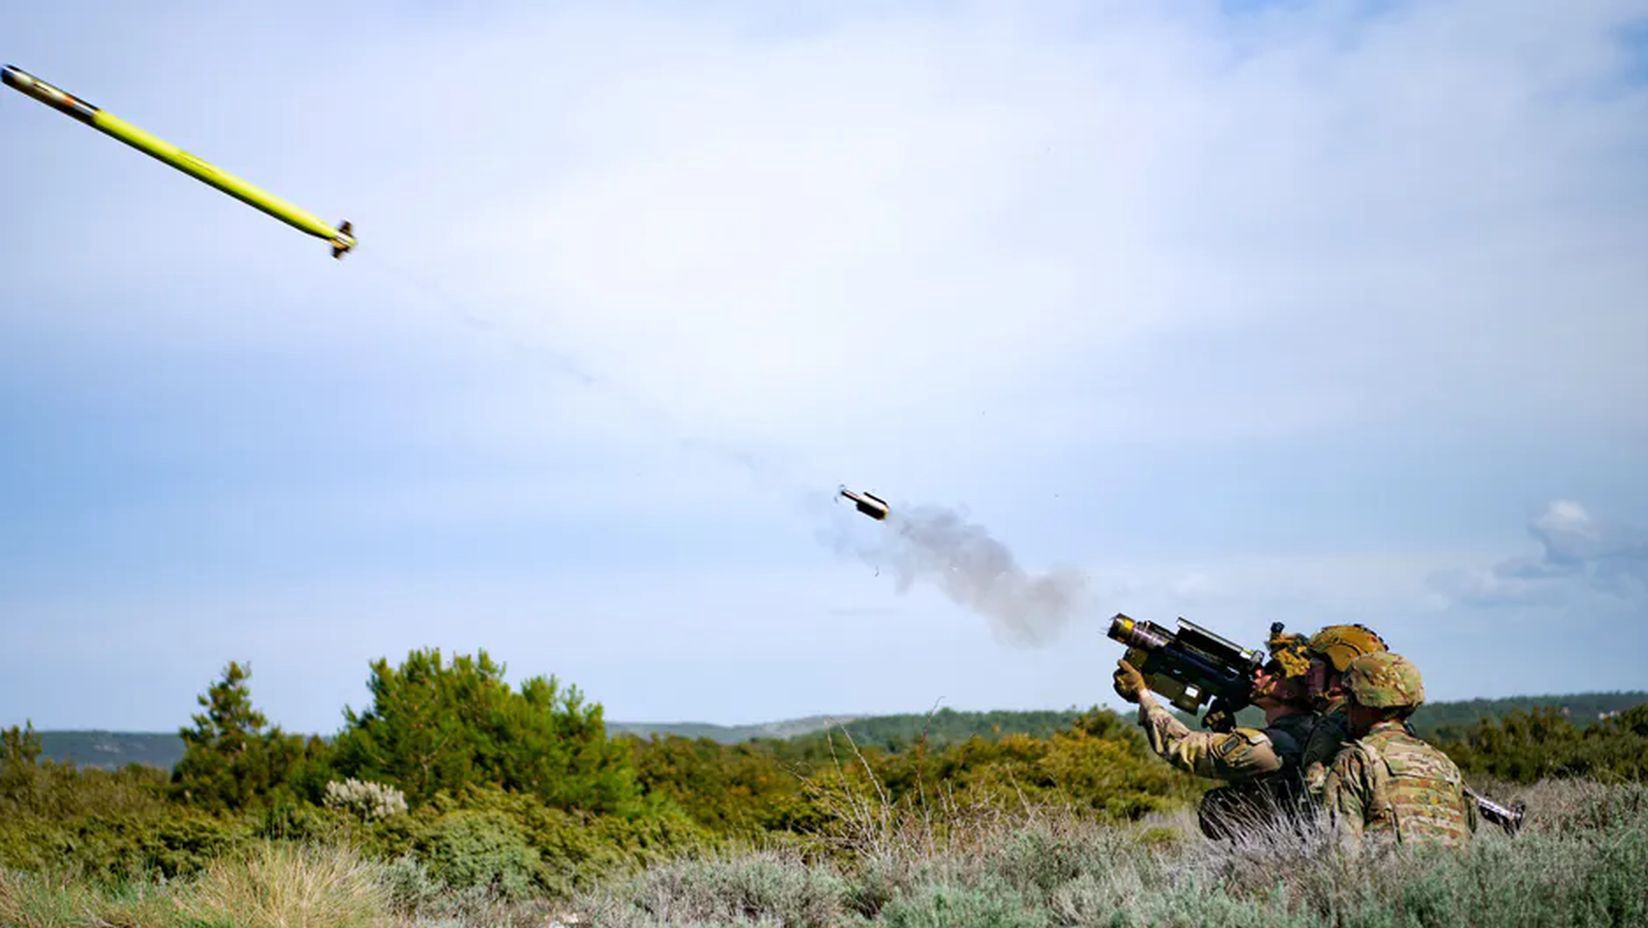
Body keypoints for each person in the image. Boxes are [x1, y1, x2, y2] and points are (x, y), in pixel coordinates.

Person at [1113, 629, 1317, 837]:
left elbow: (1182, 747)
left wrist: (1142, 694)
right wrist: (1225, 731)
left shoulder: (1269, 745)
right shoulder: (1312, 731)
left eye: (1272, 671)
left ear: (1289, 691)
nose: (1258, 673)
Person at [1322, 652, 1476, 848]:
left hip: (1385, 868)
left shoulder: (1357, 760)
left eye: (1350, 698)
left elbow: (1341, 850)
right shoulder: (1444, 763)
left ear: (1364, 701)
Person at [1297, 623, 1389, 799]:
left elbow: (1314, 797)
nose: (1307, 675)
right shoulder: (1379, 719)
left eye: (1315, 667)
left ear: (1340, 669)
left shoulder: (1337, 723)